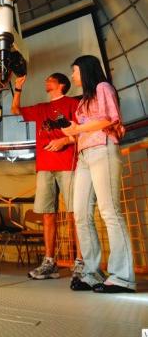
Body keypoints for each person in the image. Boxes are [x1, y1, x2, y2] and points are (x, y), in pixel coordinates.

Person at [62, 55, 136, 293]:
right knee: (81, 215)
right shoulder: (83, 101)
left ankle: (123, 277)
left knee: (110, 211)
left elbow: (107, 119)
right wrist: (69, 131)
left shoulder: (103, 87)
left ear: (84, 70)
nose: (72, 76)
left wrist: (78, 128)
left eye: (74, 71)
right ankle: (91, 273)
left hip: (103, 148)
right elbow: (82, 129)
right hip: (84, 155)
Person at [11, 72, 83, 281]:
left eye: (50, 79)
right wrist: (18, 89)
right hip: (45, 167)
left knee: (74, 214)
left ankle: (80, 262)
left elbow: (81, 131)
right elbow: (15, 110)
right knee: (47, 214)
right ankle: (49, 262)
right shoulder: (41, 108)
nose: (46, 81)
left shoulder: (72, 103)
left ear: (61, 85)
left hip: (68, 164)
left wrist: (64, 141)